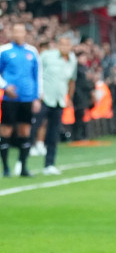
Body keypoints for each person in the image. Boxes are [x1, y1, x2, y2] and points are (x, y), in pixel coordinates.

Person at [0, 22, 41, 178]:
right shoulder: (4, 51)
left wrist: (37, 97)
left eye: (21, 31)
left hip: (27, 98)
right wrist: (5, 86)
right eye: (15, 31)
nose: (18, 34)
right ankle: (5, 168)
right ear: (11, 33)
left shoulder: (32, 52)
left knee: (25, 131)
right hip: (10, 99)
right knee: (6, 131)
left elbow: (37, 75)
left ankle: (23, 167)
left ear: (25, 33)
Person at [37, 35, 77, 175]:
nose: (65, 48)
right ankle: (22, 160)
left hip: (59, 100)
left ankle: (49, 164)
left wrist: (69, 97)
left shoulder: (72, 59)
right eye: (63, 44)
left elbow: (72, 80)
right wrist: (38, 92)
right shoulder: (47, 56)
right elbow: (37, 72)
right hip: (44, 97)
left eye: (68, 45)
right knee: (34, 126)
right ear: (58, 45)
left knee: (53, 133)